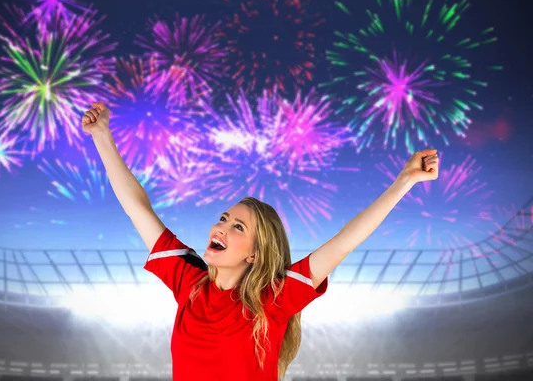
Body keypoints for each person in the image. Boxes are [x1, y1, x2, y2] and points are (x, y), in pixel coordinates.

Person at [83, 103, 439, 381]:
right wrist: (101, 134)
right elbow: (137, 206)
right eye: (224, 218)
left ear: (255, 254)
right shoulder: (188, 279)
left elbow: (344, 242)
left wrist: (404, 182)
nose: (221, 227)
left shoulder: (273, 300)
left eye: (238, 227)